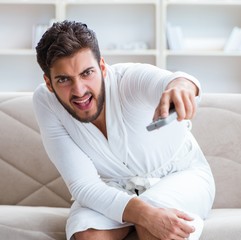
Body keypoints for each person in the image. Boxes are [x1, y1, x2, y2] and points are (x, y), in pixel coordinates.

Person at [33, 20, 215, 240]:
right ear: (49, 83)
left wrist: (182, 87)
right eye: (64, 80)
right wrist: (145, 214)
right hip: (113, 186)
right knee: (88, 236)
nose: (79, 90)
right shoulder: (45, 101)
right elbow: (83, 184)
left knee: (154, 230)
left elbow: (177, 81)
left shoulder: (129, 79)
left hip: (181, 177)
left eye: (87, 73)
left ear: (102, 67)